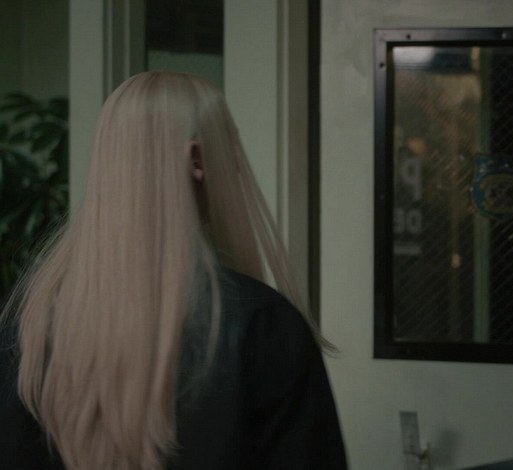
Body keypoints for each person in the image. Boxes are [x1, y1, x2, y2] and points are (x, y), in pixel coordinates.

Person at [0, 71, 348, 469]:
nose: (238, 167)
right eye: (230, 147)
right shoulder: (263, 324)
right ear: (196, 160)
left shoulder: (29, 322)